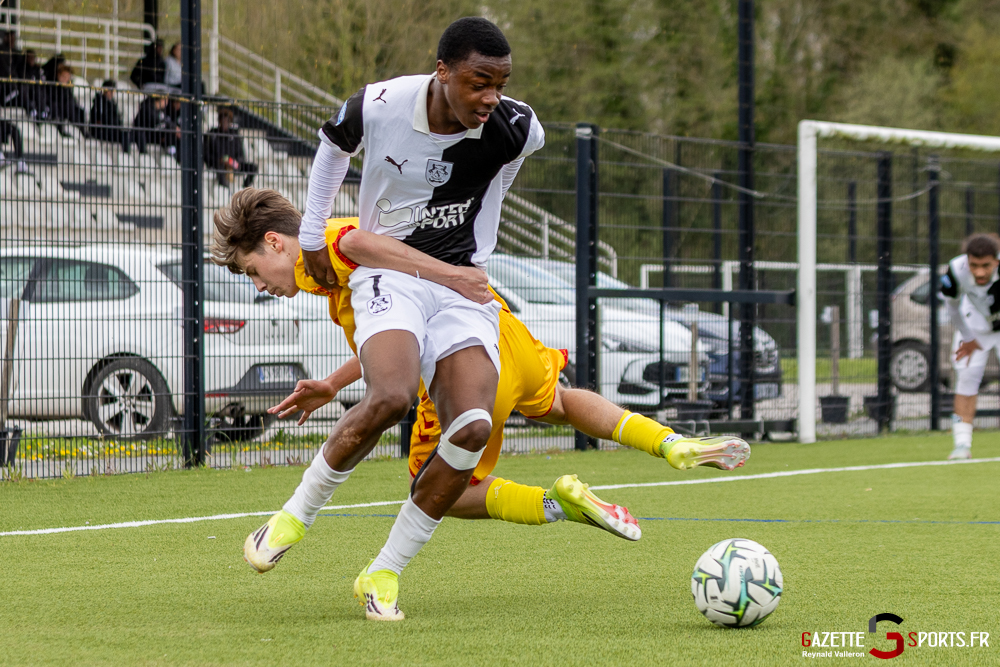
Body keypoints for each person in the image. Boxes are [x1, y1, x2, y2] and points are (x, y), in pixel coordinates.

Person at [211, 192, 750, 606]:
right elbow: (395, 337)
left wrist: (448, 275)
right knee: (560, 402)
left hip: (458, 361)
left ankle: (543, 507)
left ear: (275, 243)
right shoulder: (331, 283)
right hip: (499, 331)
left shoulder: (319, 248)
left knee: (440, 488)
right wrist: (333, 382)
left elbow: (354, 241)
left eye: (254, 271)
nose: (260, 286)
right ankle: (668, 442)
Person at [284, 16, 546, 621]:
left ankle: (384, 571)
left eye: (500, 84)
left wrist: (477, 239)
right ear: (443, 72)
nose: (491, 98)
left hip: (463, 289)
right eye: (479, 82)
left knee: (473, 426)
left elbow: (502, 176)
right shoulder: (378, 105)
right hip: (393, 277)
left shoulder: (519, 128)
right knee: (394, 394)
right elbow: (331, 148)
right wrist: (311, 236)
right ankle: (295, 515)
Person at [940, 233, 1000, 460]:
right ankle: (961, 445)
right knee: (966, 379)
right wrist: (967, 337)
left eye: (986, 265)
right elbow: (952, 307)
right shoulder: (956, 269)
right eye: (974, 265)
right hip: (974, 328)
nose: (980, 272)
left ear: (996, 261)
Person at [204, 107, 257, 187]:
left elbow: (241, 155)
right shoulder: (212, 134)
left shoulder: (235, 134)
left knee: (253, 167)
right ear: (219, 121)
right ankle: (225, 189)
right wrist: (219, 160)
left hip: (233, 164)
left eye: (227, 120)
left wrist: (234, 162)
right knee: (220, 168)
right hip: (218, 164)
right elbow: (206, 154)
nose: (225, 122)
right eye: (223, 120)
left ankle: (244, 188)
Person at [47, 64, 88, 137]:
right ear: (58, 75)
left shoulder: (68, 89)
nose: (66, 79)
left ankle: (82, 130)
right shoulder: (53, 87)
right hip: (58, 111)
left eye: (67, 77)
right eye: (64, 76)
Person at [133, 93, 179, 158]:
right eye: (166, 100)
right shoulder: (147, 108)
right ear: (162, 100)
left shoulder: (160, 111)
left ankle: (174, 155)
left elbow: (164, 121)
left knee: (171, 135)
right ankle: (144, 156)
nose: (167, 103)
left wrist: (173, 127)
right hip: (144, 135)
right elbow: (156, 121)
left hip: (154, 135)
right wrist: (172, 127)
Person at [89, 80, 130, 152]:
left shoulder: (111, 103)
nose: (112, 94)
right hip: (102, 131)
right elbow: (103, 119)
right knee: (125, 135)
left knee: (130, 134)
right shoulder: (99, 103)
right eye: (110, 91)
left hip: (111, 129)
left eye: (113, 91)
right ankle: (126, 155)